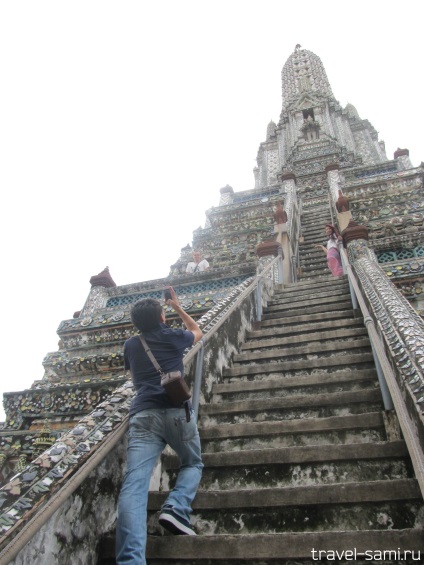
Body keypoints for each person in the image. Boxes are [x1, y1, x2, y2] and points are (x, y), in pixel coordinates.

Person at [116, 287, 204, 565]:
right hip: (176, 410)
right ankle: (177, 508)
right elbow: (197, 332)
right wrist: (178, 308)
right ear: (162, 317)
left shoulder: (131, 344)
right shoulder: (172, 336)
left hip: (142, 415)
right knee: (192, 463)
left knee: (135, 485)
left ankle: (131, 560)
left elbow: (133, 375)